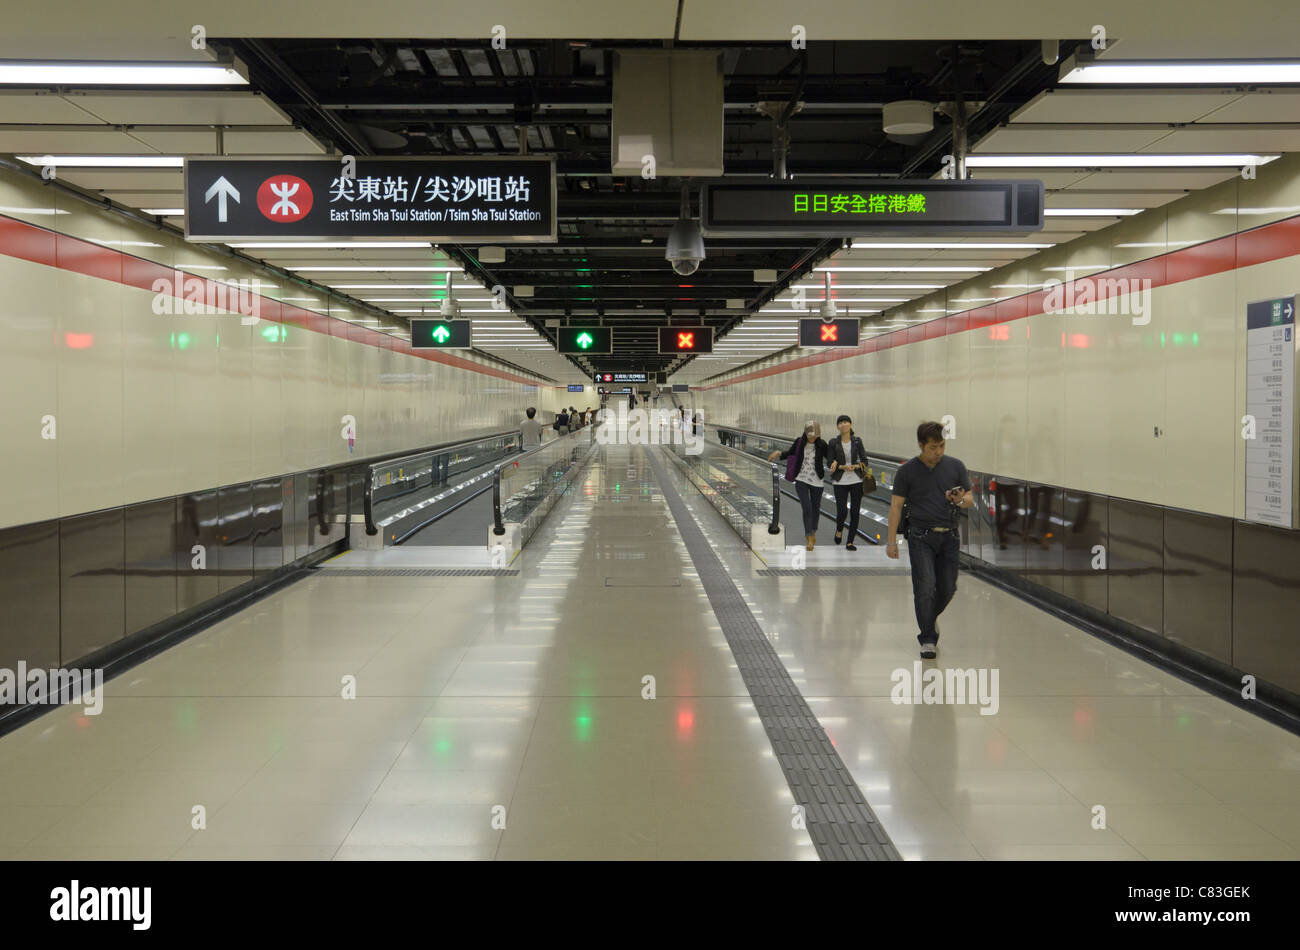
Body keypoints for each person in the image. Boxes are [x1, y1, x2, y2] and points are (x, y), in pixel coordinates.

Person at [886, 421, 973, 659]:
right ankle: (927, 638)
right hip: (920, 536)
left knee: (947, 586)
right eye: (933, 447)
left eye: (942, 446)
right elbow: (896, 506)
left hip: (949, 536)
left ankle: (929, 618)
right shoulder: (907, 471)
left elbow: (969, 499)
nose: (938, 452)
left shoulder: (955, 466)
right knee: (925, 587)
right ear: (921, 445)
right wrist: (891, 541)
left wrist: (958, 500)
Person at [768, 421, 829, 552]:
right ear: (806, 433)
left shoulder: (822, 444)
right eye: (810, 435)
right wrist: (779, 453)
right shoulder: (800, 441)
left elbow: (830, 457)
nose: (812, 438)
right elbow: (791, 453)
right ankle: (808, 536)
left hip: (817, 481)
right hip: (801, 479)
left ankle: (813, 531)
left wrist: (835, 462)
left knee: (815, 509)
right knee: (806, 508)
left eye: (814, 435)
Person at [827, 414, 869, 551]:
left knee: (855, 512)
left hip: (856, 480)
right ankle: (839, 529)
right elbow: (829, 462)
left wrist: (856, 466)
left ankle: (850, 541)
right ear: (838, 427)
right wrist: (841, 466)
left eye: (846, 422)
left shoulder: (857, 441)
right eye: (840, 423)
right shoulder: (833, 442)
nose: (843, 424)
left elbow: (865, 461)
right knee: (842, 511)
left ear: (850, 425)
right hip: (840, 480)